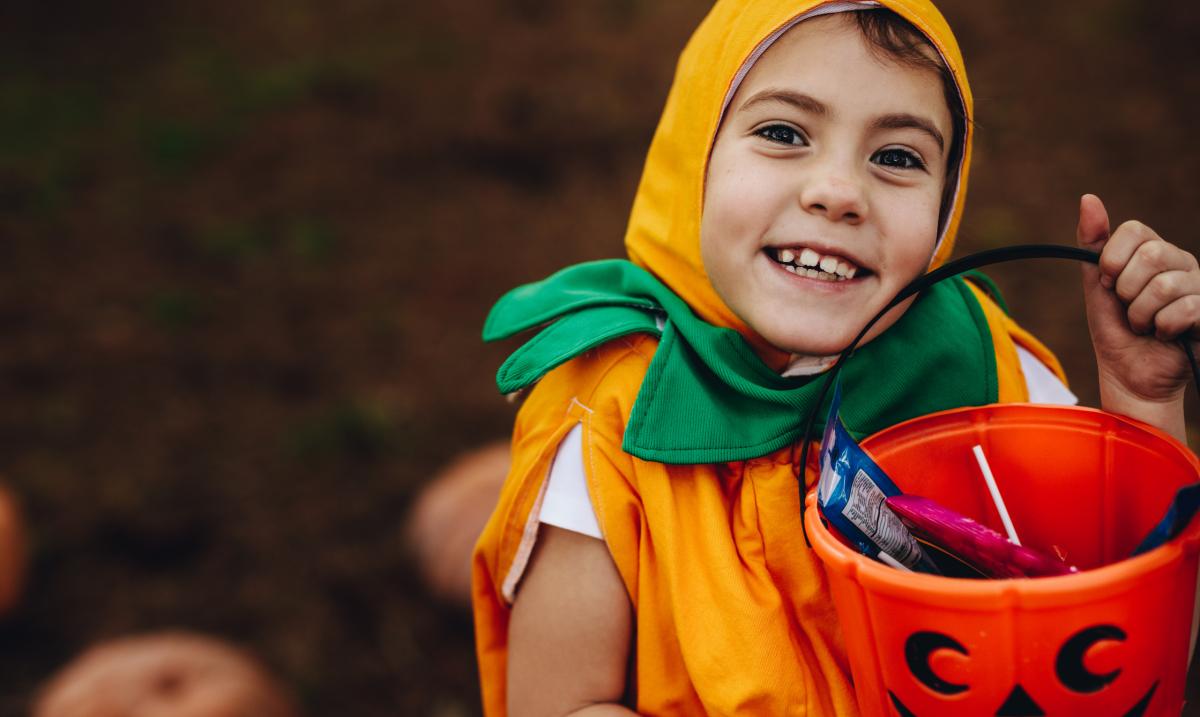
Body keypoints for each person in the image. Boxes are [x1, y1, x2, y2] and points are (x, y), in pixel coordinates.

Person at [470, 0, 1200, 714]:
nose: (839, 193)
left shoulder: (986, 371)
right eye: (785, 132)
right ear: (695, 154)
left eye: (896, 156)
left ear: (946, 203)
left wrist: (1143, 403)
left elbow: (1141, 657)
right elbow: (561, 701)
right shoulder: (612, 415)